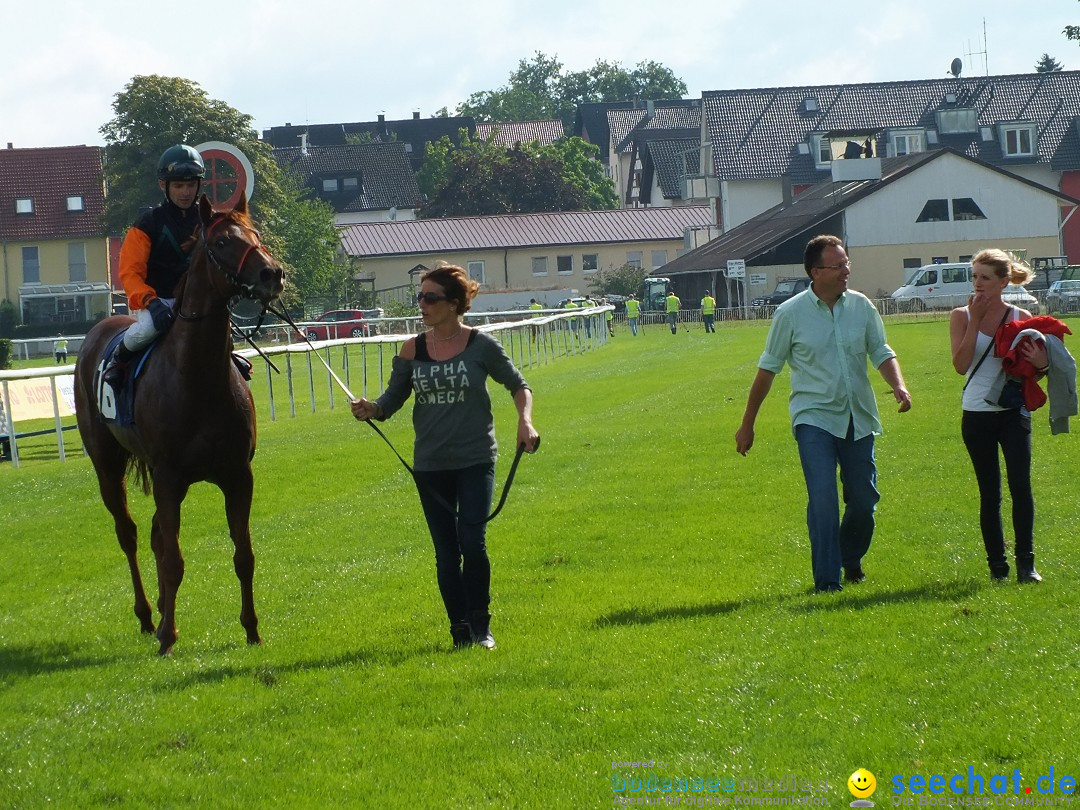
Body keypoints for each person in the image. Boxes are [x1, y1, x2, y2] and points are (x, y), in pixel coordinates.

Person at [351, 263, 540, 650]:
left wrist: (525, 422)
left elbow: (519, 386)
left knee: (473, 542)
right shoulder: (412, 349)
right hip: (431, 466)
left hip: (475, 460)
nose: (422, 304)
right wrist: (373, 408)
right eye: (420, 296)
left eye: (430, 297)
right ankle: (458, 631)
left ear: (454, 304)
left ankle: (481, 625)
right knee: (445, 554)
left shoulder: (481, 345)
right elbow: (393, 399)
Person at [735, 235, 911, 592]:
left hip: (857, 416)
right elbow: (767, 371)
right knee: (824, 499)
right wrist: (747, 424)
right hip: (813, 417)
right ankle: (827, 580)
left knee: (864, 501)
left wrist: (898, 385)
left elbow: (880, 351)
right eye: (839, 265)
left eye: (847, 263)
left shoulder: (862, 307)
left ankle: (849, 556)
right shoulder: (789, 314)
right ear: (816, 272)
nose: (847, 270)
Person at [949, 248, 1048, 583]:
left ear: (1004, 282)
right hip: (976, 415)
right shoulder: (961, 316)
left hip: (1013, 412)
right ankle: (997, 567)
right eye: (974, 276)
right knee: (989, 491)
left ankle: (1026, 564)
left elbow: (1037, 371)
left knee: (1021, 485)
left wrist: (1040, 364)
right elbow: (960, 366)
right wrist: (975, 321)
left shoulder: (1021, 316)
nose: (977, 283)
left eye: (985, 278)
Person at [103, 144, 206, 387]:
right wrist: (151, 302)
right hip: (157, 300)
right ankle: (117, 361)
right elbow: (130, 272)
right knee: (147, 330)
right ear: (164, 185)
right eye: (179, 185)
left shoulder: (208, 219)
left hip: (196, 301)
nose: (185, 192)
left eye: (191, 185)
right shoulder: (148, 223)